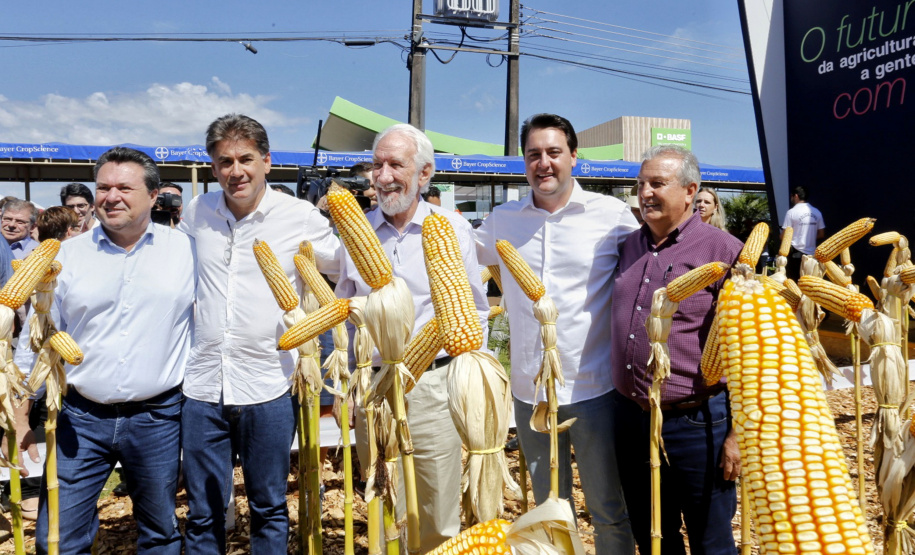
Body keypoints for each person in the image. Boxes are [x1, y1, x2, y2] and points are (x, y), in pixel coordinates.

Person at [9, 147, 196, 554]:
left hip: (158, 417)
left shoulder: (187, 251)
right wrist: (20, 412)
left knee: (159, 533)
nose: (111, 197)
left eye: (124, 187)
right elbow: (38, 336)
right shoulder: (65, 256)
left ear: (153, 195)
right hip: (80, 417)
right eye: (103, 187)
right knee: (55, 539)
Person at [474, 113, 640, 554]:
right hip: (531, 391)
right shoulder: (502, 220)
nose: (543, 163)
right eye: (533, 155)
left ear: (574, 157)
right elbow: (458, 260)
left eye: (553, 153)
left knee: (607, 507)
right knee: (551, 508)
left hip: (594, 386)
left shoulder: (613, 216)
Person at [178, 113, 340, 554]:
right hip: (203, 386)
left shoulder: (299, 217)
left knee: (268, 505)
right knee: (203, 509)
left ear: (267, 161)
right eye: (224, 162)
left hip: (268, 384)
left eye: (245, 159)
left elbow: (345, 268)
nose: (236, 171)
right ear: (213, 168)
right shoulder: (197, 213)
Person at [336, 123, 489, 553]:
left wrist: (470, 377)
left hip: (433, 384)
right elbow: (345, 316)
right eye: (377, 165)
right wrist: (348, 384)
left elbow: (473, 308)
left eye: (395, 165)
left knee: (437, 503)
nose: (383, 176)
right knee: (383, 499)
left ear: (424, 174)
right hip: (373, 383)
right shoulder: (355, 233)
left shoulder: (452, 229)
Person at [610, 144, 743, 555]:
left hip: (697, 421)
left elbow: (747, 348)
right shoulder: (629, 245)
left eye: (657, 184)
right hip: (633, 418)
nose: (645, 193)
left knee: (711, 539)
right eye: (641, 184)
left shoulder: (724, 251)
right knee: (653, 536)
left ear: (690, 191)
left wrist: (739, 434)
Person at [781, 185, 824, 280]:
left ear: (796, 196)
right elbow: (821, 234)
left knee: (794, 283)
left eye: (791, 196)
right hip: (812, 256)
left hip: (795, 254)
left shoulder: (791, 212)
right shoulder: (817, 212)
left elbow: (783, 236)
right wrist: (809, 236)